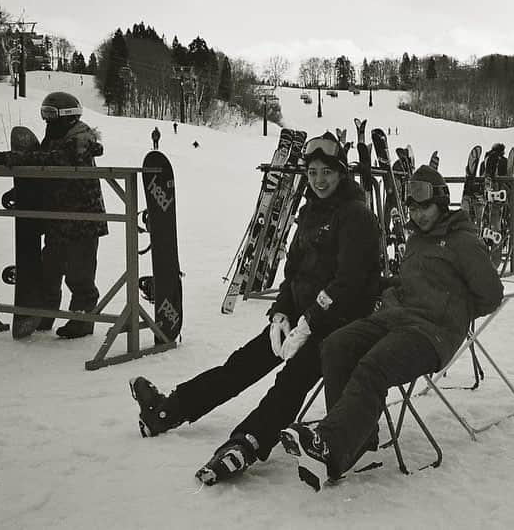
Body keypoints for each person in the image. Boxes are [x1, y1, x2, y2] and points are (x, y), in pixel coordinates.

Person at [129, 131, 382, 485]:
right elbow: (293, 273)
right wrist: (280, 313)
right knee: (242, 364)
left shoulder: (356, 216)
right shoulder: (310, 213)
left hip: (339, 327)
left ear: (341, 173)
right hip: (300, 320)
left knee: (292, 380)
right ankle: (170, 409)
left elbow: (349, 282)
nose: (319, 180)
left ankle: (247, 443)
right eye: (312, 173)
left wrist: (309, 322)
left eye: (326, 172)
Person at [280, 164, 504, 491]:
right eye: (413, 208)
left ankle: (329, 444)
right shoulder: (416, 241)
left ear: (441, 204)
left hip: (432, 333)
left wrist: (453, 309)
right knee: (337, 345)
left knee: (374, 367)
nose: (419, 214)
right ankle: (358, 437)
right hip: (396, 318)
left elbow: (491, 295)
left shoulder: (462, 242)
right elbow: (415, 282)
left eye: (425, 206)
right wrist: (391, 292)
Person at [0, 91, 108, 338]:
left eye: (50, 114)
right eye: (43, 113)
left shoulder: (80, 140)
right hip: (58, 219)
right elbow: (44, 172)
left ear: (66, 116)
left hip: (82, 220)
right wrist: (20, 190)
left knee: (80, 274)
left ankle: (82, 320)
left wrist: (5, 159)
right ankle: (46, 315)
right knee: (50, 270)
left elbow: (52, 162)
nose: (46, 120)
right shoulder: (55, 138)